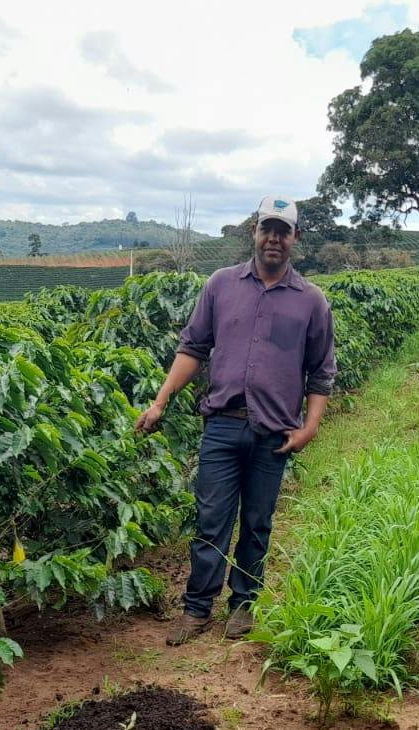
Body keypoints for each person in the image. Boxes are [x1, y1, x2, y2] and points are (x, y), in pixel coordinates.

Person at [134, 196, 337, 644]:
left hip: (275, 431)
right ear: (255, 232)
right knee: (211, 520)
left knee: (258, 521)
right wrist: (160, 401)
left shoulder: (311, 301)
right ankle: (197, 608)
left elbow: (321, 371)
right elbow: (192, 348)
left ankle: (243, 604)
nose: (274, 238)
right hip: (223, 425)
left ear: (295, 239)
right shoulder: (221, 285)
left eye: (283, 231)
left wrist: (310, 427)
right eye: (268, 228)